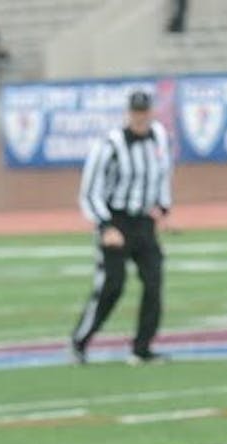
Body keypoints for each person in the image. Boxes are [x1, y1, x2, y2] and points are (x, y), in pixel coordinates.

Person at [69, 90, 175, 366]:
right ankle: (80, 339)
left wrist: (162, 208)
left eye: (145, 111)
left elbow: (163, 174)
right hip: (116, 220)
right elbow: (89, 191)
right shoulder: (110, 145)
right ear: (129, 113)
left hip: (143, 221)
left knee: (154, 283)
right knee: (112, 286)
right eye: (136, 112)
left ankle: (142, 348)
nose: (141, 117)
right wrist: (105, 227)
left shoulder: (159, 137)